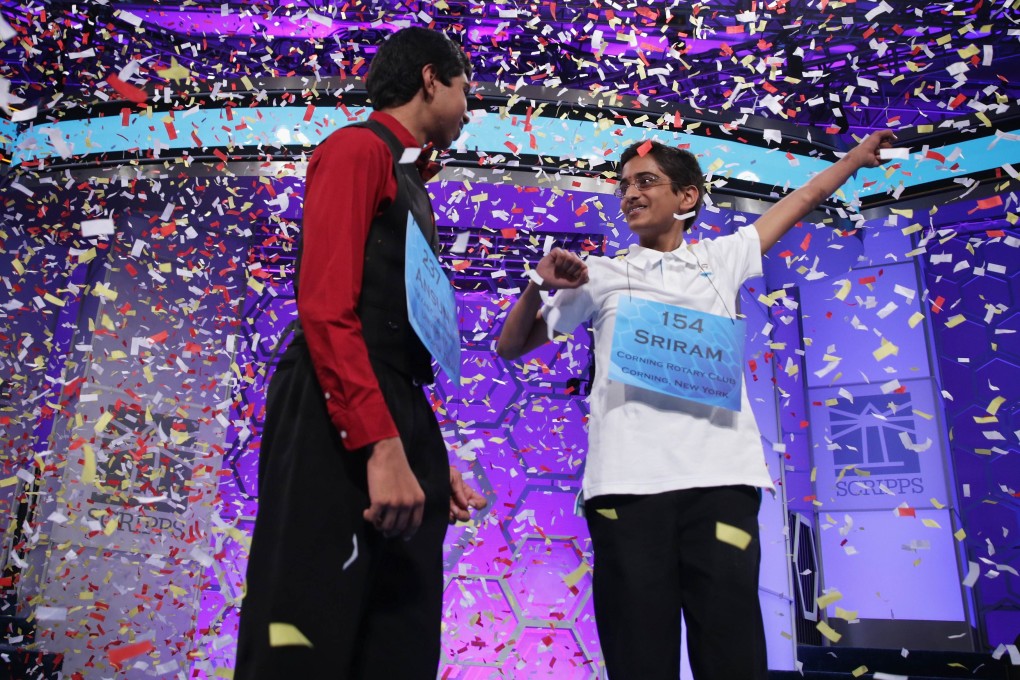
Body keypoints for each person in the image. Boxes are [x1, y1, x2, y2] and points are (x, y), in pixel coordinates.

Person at [497, 129, 896, 680]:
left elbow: (802, 199)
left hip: (720, 486)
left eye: (646, 182)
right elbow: (511, 347)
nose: (629, 194)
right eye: (624, 186)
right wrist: (537, 288)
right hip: (627, 492)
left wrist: (853, 160)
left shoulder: (722, 259)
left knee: (731, 653)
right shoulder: (602, 274)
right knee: (640, 655)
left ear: (687, 198)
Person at [234, 27, 487, 679]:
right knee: (308, 620)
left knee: (397, 636)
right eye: (466, 90)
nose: (468, 108)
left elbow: (401, 335)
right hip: (334, 407)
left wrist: (425, 458)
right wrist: (381, 443)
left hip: (393, 402)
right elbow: (327, 307)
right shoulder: (355, 149)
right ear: (432, 79)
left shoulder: (414, 183)